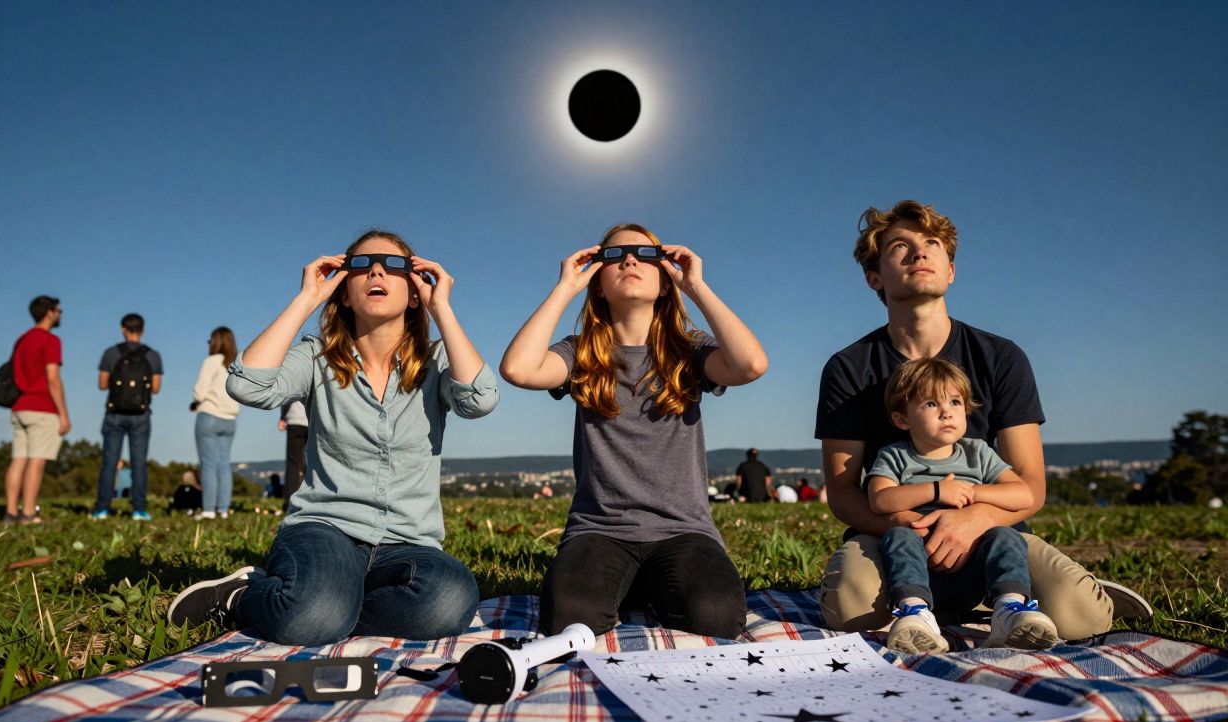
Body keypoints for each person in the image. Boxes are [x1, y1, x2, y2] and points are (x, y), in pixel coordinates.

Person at [816, 199, 1150, 640]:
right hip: (893, 533)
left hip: (991, 530)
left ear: (950, 271)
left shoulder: (1001, 358)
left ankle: (1053, 591)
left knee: (1080, 619)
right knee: (849, 611)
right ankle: (941, 601)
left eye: (932, 244)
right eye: (900, 246)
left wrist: (974, 520)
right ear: (874, 276)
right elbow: (842, 491)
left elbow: (1030, 484)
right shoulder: (849, 368)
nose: (920, 253)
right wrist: (903, 526)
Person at [167, 230, 498, 646]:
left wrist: (442, 309)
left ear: (415, 290)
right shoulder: (317, 355)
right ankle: (243, 596)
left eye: (393, 265)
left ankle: (329, 604)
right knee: (313, 618)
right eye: (361, 265)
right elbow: (247, 385)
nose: (376, 270)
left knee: (450, 601)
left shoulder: (436, 360)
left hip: (407, 542)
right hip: (327, 528)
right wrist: (306, 300)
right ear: (343, 292)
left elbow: (481, 399)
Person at [501, 223, 768, 638]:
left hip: (684, 529)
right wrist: (564, 289)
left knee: (716, 616)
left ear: (665, 283)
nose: (629, 260)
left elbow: (750, 365)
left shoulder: (690, 349)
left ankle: (648, 586)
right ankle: (635, 586)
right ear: (598, 286)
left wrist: (696, 286)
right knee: (569, 617)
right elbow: (518, 369)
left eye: (645, 256)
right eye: (614, 256)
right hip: (599, 529)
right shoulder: (580, 352)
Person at [868, 358, 1057, 652]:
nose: (947, 412)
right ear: (902, 419)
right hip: (920, 563)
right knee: (898, 537)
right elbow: (880, 499)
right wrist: (936, 490)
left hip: (975, 564)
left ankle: (1009, 610)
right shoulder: (895, 456)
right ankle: (915, 613)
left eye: (956, 402)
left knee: (1006, 536)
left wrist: (973, 493)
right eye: (931, 404)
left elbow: (1023, 495)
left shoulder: (977, 453)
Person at [4, 296, 70, 524]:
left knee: (18, 459)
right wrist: (63, 414)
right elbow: (53, 378)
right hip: (41, 407)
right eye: (59, 310)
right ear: (50, 313)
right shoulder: (50, 341)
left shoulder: (22, 340)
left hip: (19, 406)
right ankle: (29, 512)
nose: (60, 314)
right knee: (37, 461)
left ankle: (11, 511)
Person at [92, 313, 163, 521]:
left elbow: (102, 384)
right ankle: (139, 509)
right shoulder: (153, 355)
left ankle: (102, 508)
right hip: (141, 415)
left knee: (110, 462)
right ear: (142, 330)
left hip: (114, 413)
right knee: (139, 462)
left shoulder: (111, 353)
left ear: (123, 329)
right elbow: (156, 388)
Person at [192, 327, 239, 519]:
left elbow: (200, 391)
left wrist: (195, 400)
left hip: (209, 415)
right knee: (224, 464)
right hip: (230, 419)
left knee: (209, 465)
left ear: (215, 342)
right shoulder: (236, 364)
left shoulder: (211, 361)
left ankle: (209, 510)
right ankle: (224, 509)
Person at [278, 397, 308, 508]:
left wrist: (282, 416)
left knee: (293, 465)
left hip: (295, 419)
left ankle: (289, 503)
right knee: (313, 463)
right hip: (313, 419)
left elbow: (288, 395)